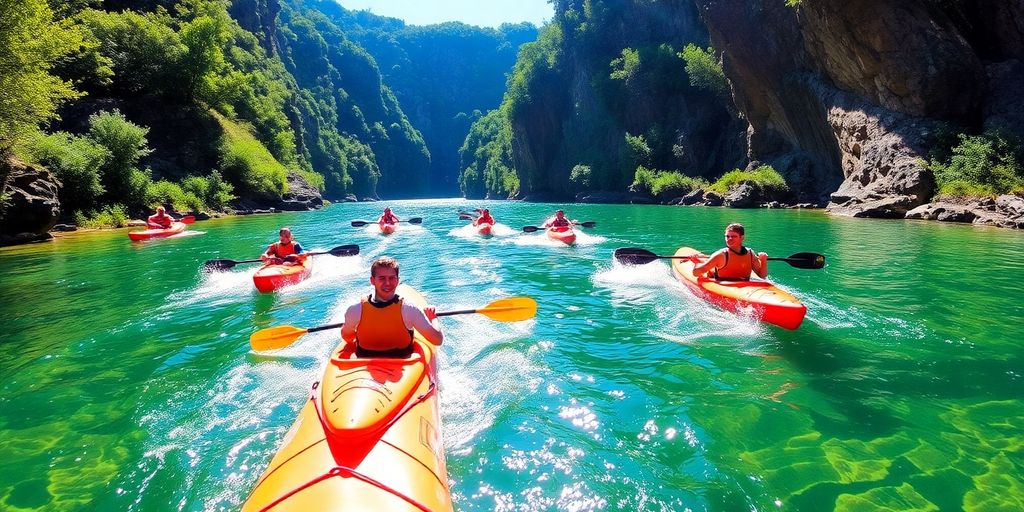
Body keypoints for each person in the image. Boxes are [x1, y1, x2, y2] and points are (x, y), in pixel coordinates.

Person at [341, 256, 443, 358]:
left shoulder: (354, 311)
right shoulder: (409, 310)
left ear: (397, 280)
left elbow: (347, 337)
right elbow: (437, 339)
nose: (387, 283)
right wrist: (433, 318)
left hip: (367, 363)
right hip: (398, 365)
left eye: (391, 278)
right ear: (372, 281)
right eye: (382, 278)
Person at [689, 223, 768, 281]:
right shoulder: (720, 255)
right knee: (711, 270)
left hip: (744, 284)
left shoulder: (750, 253)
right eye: (727, 236)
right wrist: (696, 263)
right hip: (722, 282)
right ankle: (702, 261)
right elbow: (696, 273)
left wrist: (763, 261)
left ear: (742, 238)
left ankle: (705, 262)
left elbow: (762, 276)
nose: (729, 239)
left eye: (734, 236)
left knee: (713, 264)